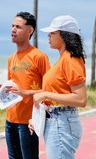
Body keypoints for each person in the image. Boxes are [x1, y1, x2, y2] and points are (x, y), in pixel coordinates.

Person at [0, 11, 50, 159]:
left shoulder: (39, 57)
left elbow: (49, 90)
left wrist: (26, 93)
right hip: (10, 120)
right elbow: (12, 90)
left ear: (30, 30)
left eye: (18, 26)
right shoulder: (11, 58)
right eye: (12, 26)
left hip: (28, 122)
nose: (13, 29)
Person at [28, 15, 87, 159]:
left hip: (62, 123)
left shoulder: (71, 59)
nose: (48, 35)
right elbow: (57, 91)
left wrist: (46, 95)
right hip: (57, 120)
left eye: (53, 32)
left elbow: (81, 99)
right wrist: (38, 117)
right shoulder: (63, 59)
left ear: (65, 35)